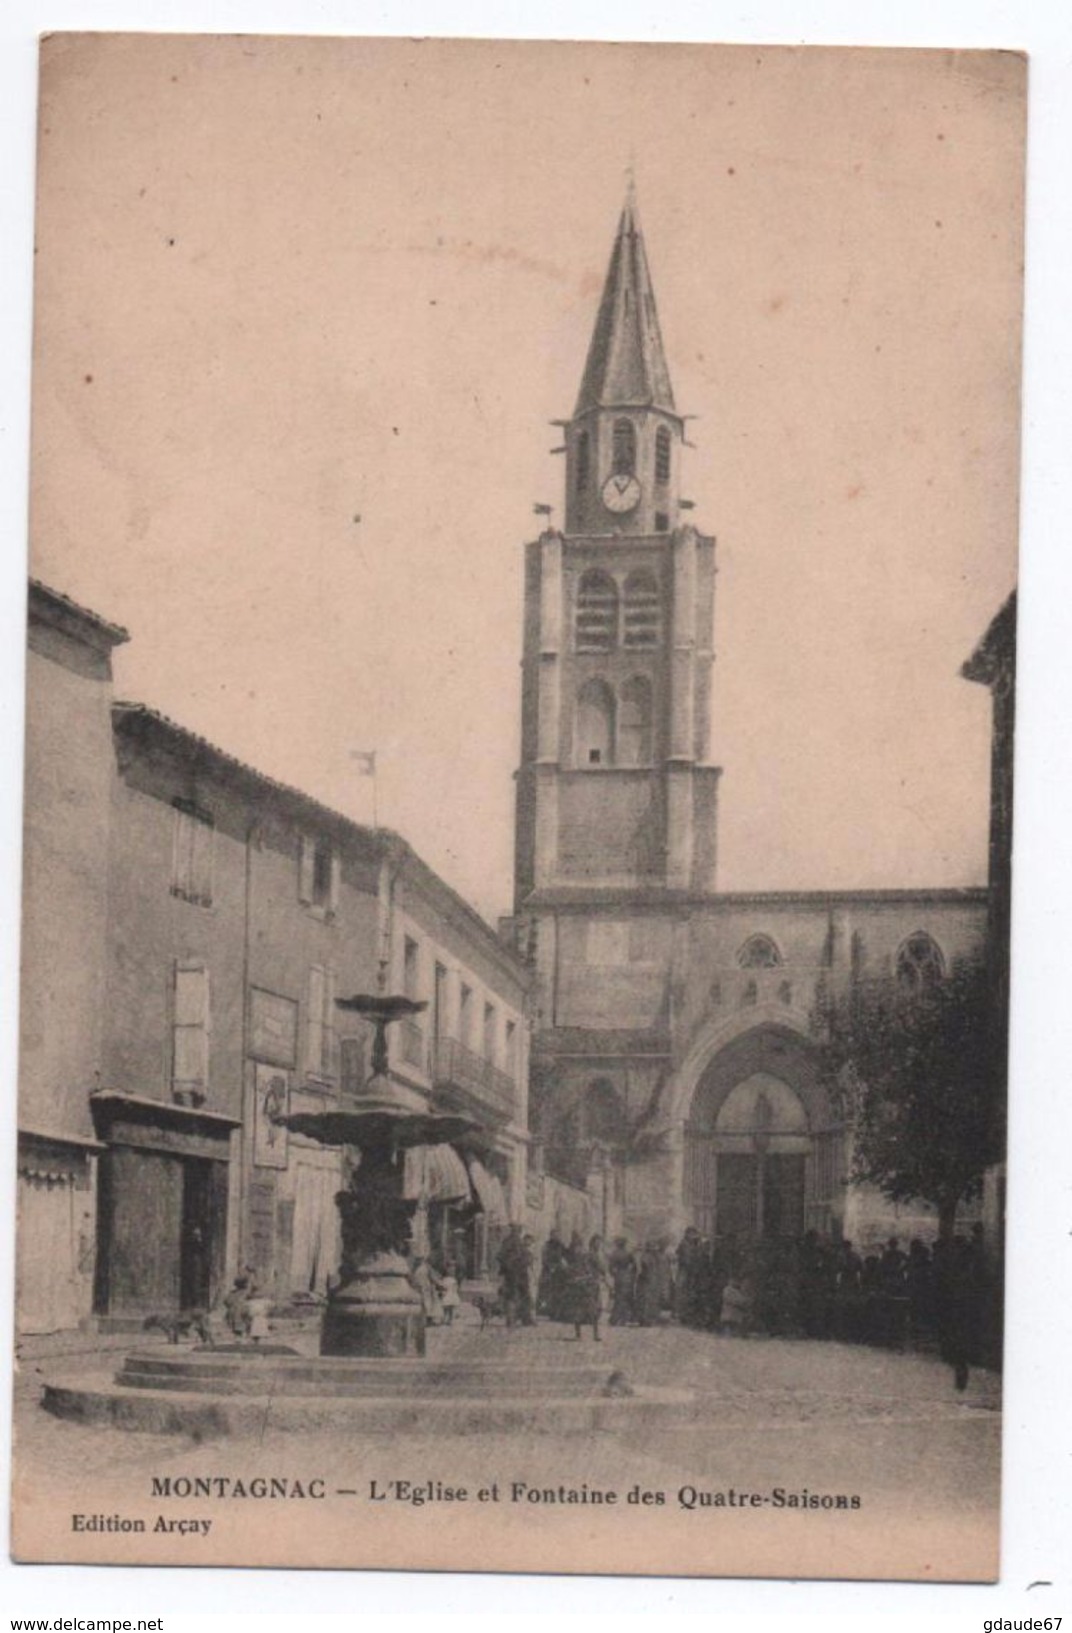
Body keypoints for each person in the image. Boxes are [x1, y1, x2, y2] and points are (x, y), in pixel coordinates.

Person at [497, 1223, 530, 1329]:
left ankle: (521, 1318)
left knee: (521, 1295)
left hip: (520, 1273)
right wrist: (509, 1265)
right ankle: (511, 1321)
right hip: (513, 1274)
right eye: (516, 1230)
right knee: (512, 1296)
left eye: (518, 1230)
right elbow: (500, 1256)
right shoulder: (509, 1242)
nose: (517, 1232)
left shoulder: (517, 1242)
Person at [608, 1237, 636, 1326]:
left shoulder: (615, 1254)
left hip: (620, 1277)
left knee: (619, 1298)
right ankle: (623, 1319)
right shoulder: (628, 1253)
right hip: (627, 1277)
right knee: (625, 1298)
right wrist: (631, 1273)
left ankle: (616, 1319)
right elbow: (634, 1265)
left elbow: (611, 1268)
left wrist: (614, 1274)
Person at [410, 1255, 444, 1325]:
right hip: (417, 1289)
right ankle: (421, 1319)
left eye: (420, 1259)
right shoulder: (414, 1268)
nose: (418, 1261)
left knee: (428, 1303)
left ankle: (429, 1319)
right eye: (417, 1259)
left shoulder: (427, 1267)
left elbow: (433, 1277)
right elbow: (412, 1278)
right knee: (421, 1304)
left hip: (426, 1289)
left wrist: (439, 1284)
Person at [438, 1259, 461, 1327]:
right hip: (448, 1294)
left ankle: (449, 1320)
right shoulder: (445, 1279)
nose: (452, 1270)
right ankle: (445, 1318)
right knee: (446, 1308)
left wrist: (455, 1289)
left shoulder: (453, 1279)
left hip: (452, 1294)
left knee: (450, 1309)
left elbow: (455, 1288)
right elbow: (442, 1286)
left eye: (453, 1268)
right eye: (450, 1268)